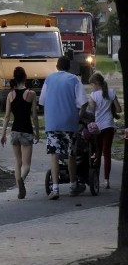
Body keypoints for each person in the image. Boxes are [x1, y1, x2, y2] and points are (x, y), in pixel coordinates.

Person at [38, 55, 88, 200]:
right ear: (69, 67)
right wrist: (79, 117)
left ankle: (55, 188)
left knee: (54, 154)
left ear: (57, 66)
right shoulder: (74, 80)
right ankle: (73, 185)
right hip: (69, 123)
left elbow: (42, 101)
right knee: (71, 154)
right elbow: (83, 103)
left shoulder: (49, 79)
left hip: (52, 123)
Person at [0, 66, 40, 199]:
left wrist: (3, 134)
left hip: (15, 132)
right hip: (27, 131)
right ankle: (21, 180)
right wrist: (37, 132)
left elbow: (6, 116)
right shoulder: (31, 94)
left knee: (18, 162)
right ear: (25, 77)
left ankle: (19, 188)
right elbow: (34, 115)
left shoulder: (10, 95)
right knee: (27, 164)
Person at [86, 72, 122, 189]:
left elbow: (91, 112)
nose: (92, 87)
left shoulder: (93, 95)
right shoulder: (111, 93)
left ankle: (95, 178)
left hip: (98, 128)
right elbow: (119, 109)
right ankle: (107, 180)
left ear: (96, 84)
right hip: (109, 126)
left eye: (92, 85)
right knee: (107, 153)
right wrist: (111, 109)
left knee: (98, 152)